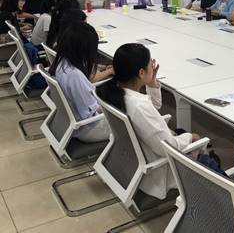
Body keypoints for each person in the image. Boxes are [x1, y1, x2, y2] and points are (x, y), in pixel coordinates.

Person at [97, 43, 201, 200]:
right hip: (156, 174)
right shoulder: (139, 106)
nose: (153, 68)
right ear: (141, 72)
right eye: (149, 66)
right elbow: (167, 147)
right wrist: (191, 137)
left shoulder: (112, 91)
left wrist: (152, 83)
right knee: (199, 145)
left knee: (180, 134)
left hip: (130, 164)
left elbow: (153, 107)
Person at [49, 21, 111, 143]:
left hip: (74, 122)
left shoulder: (62, 63)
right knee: (133, 117)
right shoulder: (74, 75)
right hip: (90, 128)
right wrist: (114, 105)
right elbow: (90, 113)